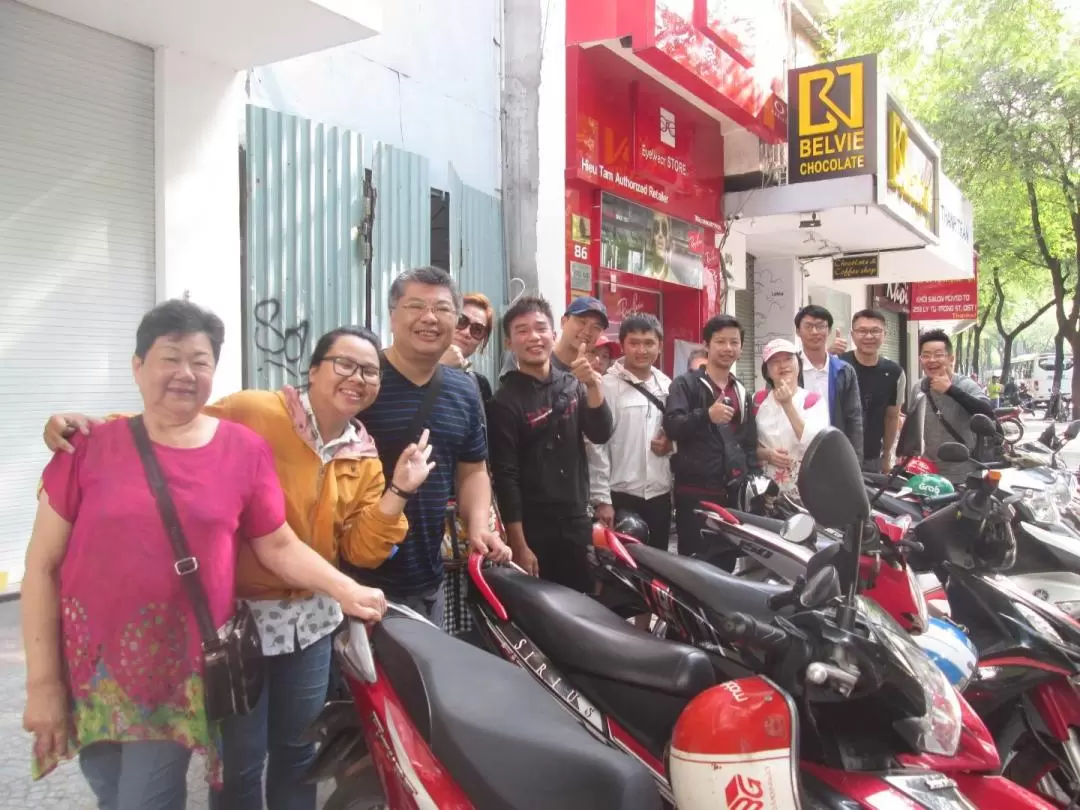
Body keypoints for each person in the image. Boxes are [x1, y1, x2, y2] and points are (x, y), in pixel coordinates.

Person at [41, 323, 427, 810]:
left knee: (300, 752)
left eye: (369, 372)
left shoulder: (364, 455)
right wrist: (86, 426)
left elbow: (362, 549)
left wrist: (399, 491)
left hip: (308, 619)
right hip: (234, 621)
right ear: (312, 370)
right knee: (241, 758)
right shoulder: (256, 411)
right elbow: (170, 423)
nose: (357, 378)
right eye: (344, 364)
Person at [346, 266, 511, 626]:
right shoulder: (360, 382)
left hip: (427, 581)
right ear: (392, 316)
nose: (429, 318)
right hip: (355, 581)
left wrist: (479, 525)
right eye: (415, 306)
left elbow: (473, 470)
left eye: (442, 309)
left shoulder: (464, 389)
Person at [489, 296, 614, 591]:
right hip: (534, 527)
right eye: (522, 330)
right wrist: (519, 543)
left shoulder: (572, 385)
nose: (533, 337)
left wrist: (593, 385)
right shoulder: (503, 402)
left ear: (553, 335)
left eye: (540, 328)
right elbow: (506, 477)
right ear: (509, 343)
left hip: (575, 521)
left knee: (582, 604)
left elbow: (601, 433)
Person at [588, 314, 673, 601]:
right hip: (620, 495)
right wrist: (602, 499)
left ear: (660, 346)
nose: (642, 349)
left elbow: (675, 434)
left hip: (659, 494)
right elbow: (596, 444)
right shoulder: (606, 386)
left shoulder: (667, 385)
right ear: (622, 344)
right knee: (616, 575)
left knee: (655, 576)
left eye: (649, 343)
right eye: (634, 342)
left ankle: (646, 630)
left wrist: (671, 445)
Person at [663, 315, 760, 570]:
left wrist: (754, 479)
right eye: (721, 342)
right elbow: (672, 425)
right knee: (694, 567)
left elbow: (749, 442)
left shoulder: (740, 391)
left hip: (731, 496)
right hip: (695, 493)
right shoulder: (686, 384)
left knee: (725, 565)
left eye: (734, 342)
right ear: (707, 345)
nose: (728, 348)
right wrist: (706, 415)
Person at [914, 329, 994, 484]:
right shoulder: (919, 387)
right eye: (926, 355)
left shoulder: (965, 385)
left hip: (964, 472)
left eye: (938, 355)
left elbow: (988, 412)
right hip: (929, 472)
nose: (932, 360)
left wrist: (951, 390)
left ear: (951, 358)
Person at [754, 339, 830, 493]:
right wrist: (765, 454)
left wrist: (787, 404)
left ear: (799, 365)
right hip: (765, 487)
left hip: (804, 489)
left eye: (788, 359)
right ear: (767, 371)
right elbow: (746, 442)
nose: (782, 365)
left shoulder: (813, 401)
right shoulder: (758, 400)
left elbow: (815, 444)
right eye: (774, 361)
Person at [838, 310, 907, 473]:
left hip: (872, 458)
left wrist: (886, 457)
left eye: (875, 331)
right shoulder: (838, 365)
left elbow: (892, 417)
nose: (869, 336)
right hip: (837, 455)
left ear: (884, 334)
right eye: (862, 331)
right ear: (852, 335)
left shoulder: (895, 372)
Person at [794, 304, 863, 455]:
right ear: (798, 331)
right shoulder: (787, 369)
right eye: (808, 326)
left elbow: (854, 419)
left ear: (829, 330)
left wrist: (855, 460)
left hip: (835, 452)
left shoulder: (844, 371)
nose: (814, 332)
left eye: (820, 326)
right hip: (795, 452)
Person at [498, 295, 610, 377]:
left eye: (596, 327)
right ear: (563, 322)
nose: (587, 331)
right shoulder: (532, 353)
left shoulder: (594, 371)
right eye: (582, 322)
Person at [441, 291, 496, 405]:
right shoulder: (409, 366)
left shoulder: (480, 385)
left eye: (477, 330)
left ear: (482, 340)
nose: (466, 332)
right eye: (461, 321)